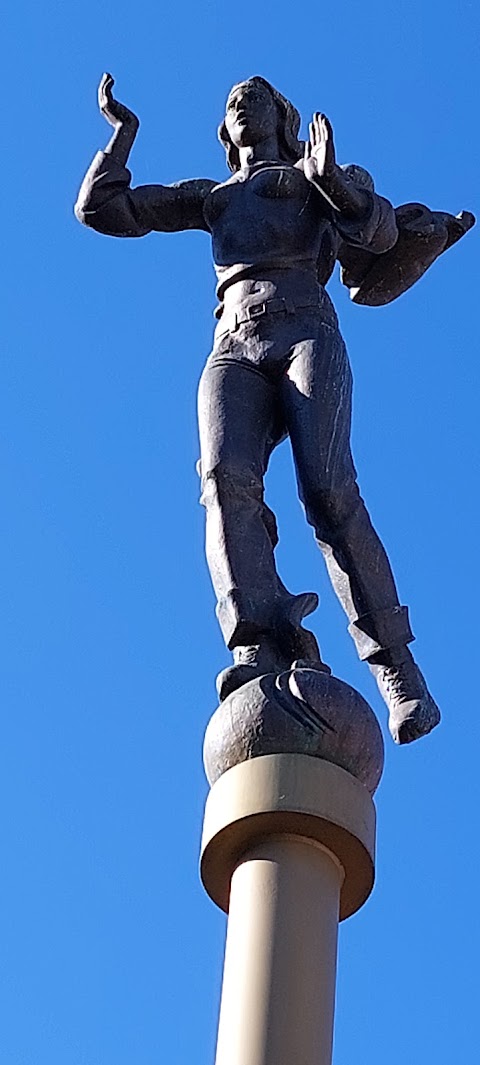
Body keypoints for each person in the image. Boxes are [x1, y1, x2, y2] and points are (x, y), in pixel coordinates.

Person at [75, 73, 442, 745]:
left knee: (328, 491)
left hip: (304, 326)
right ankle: (261, 639)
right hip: (233, 343)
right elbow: (104, 211)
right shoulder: (211, 198)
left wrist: (333, 180)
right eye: (233, 100)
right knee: (222, 482)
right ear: (225, 130)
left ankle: (396, 665)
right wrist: (122, 135)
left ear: (283, 115)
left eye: (258, 96)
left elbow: (380, 233)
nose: (243, 101)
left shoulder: (315, 174)